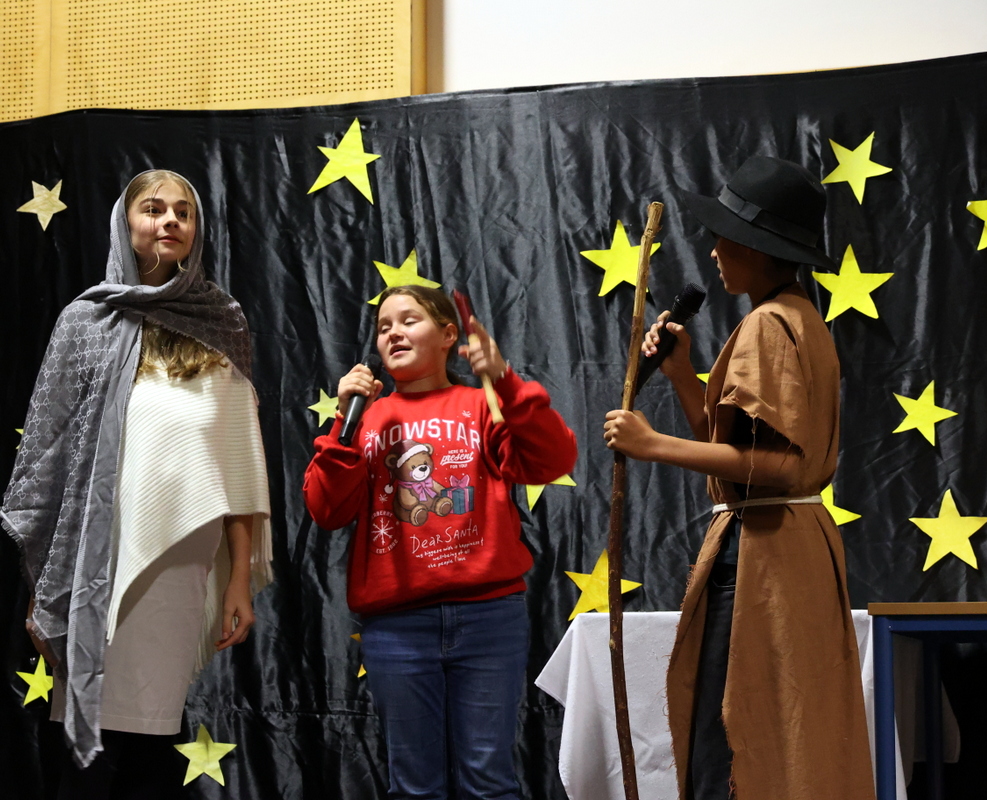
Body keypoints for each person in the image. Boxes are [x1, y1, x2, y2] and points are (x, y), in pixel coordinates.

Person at [603, 156, 875, 800]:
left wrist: (653, 444)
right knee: (784, 727)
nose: (715, 249)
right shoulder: (801, 318)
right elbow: (748, 451)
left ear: (760, 247)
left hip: (765, 556)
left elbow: (777, 469)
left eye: (727, 235)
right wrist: (682, 377)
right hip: (792, 545)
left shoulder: (766, 324)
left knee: (735, 731)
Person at [0, 169, 273, 798]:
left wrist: (237, 577)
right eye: (154, 209)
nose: (170, 220)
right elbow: (50, 456)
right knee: (86, 753)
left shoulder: (221, 320)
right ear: (127, 223)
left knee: (149, 740)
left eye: (184, 212)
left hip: (177, 564)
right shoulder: (85, 322)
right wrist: (47, 585)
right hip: (90, 557)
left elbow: (239, 462)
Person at [303, 285, 577, 800]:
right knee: (415, 786)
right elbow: (325, 508)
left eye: (409, 320)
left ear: (449, 335)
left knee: (488, 779)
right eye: (384, 326)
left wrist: (506, 382)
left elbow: (552, 459)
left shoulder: (480, 405)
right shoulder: (371, 419)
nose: (393, 333)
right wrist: (343, 420)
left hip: (489, 618)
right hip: (397, 628)